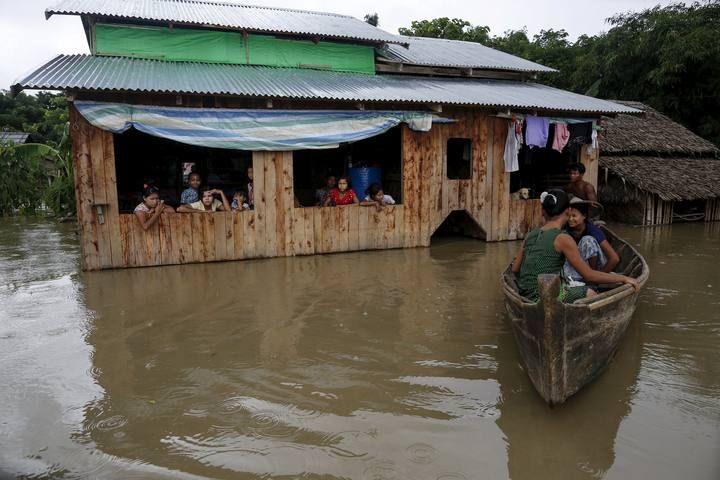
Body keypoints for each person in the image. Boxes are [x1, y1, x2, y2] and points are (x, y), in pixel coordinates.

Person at [511, 189, 638, 303]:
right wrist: (623, 278)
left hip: (524, 293)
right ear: (568, 211)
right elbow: (589, 275)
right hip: (545, 295)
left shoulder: (530, 235)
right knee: (590, 293)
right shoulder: (563, 238)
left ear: (543, 211)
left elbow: (515, 269)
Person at [562, 198, 620, 284]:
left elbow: (614, 258)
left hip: (598, 268)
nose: (570, 219)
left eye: (574, 216)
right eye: (568, 216)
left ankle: (592, 277)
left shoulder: (593, 230)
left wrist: (599, 276)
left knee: (587, 240)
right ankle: (584, 277)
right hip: (580, 266)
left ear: (584, 216)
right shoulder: (565, 229)